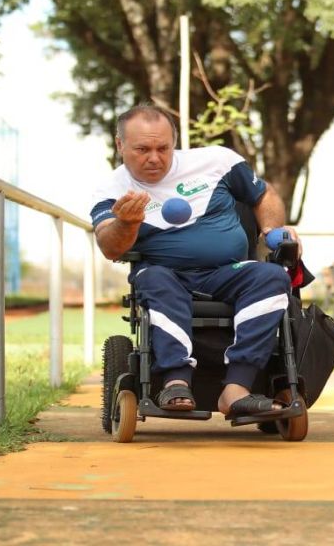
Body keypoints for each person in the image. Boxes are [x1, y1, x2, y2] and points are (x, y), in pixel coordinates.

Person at [90, 103, 300, 418]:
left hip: (227, 271)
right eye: (142, 149)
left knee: (272, 275)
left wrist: (272, 228)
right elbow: (109, 246)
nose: (154, 158)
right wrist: (126, 224)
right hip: (165, 273)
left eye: (163, 148)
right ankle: (175, 382)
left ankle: (237, 390)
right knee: (154, 278)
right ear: (120, 145)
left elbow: (264, 195)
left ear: (175, 142)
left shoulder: (218, 161)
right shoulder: (112, 190)